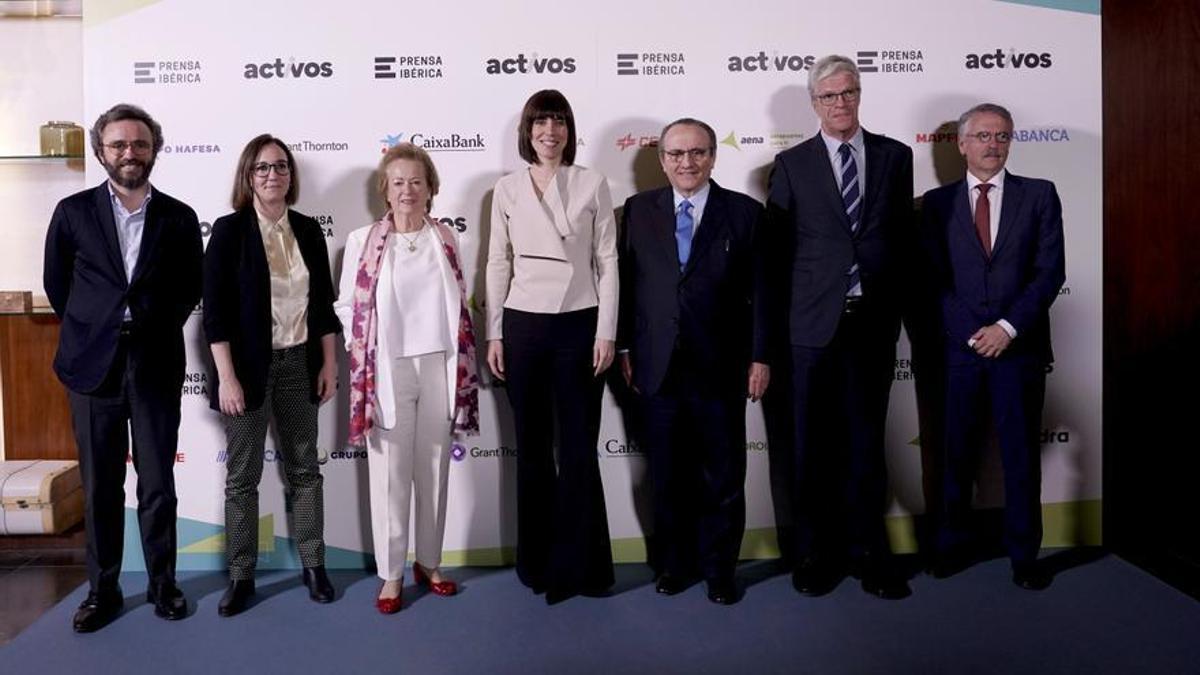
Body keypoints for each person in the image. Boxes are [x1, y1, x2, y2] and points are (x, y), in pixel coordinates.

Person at [43, 103, 203, 632]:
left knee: (157, 484)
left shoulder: (178, 216)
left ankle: (163, 586)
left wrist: (148, 325)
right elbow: (58, 285)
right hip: (92, 366)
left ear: (154, 149)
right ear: (101, 152)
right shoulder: (72, 211)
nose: (129, 153)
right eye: (119, 145)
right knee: (101, 486)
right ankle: (102, 590)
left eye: (139, 143)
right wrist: (98, 327)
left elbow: (188, 288)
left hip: (153, 361)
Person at [766, 54, 914, 599]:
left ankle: (870, 555)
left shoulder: (895, 157)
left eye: (848, 92)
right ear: (814, 103)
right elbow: (777, 257)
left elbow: (900, 241)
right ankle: (814, 554)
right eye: (829, 96)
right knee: (812, 447)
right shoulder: (792, 164)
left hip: (871, 325)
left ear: (859, 94)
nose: (840, 103)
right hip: (810, 329)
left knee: (866, 445)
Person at [617, 118, 769, 605]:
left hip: (721, 365)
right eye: (677, 154)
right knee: (667, 475)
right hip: (656, 366)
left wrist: (760, 356)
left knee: (723, 476)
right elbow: (624, 285)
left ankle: (719, 569)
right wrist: (623, 348)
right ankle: (675, 564)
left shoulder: (744, 213)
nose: (688, 163)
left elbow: (762, 294)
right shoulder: (638, 211)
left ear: (713, 157)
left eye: (698, 153)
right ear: (662, 160)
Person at [921, 103, 1065, 590]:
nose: (993, 144)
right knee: (953, 454)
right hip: (959, 353)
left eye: (1002, 136)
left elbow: (1050, 272)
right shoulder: (935, 204)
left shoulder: (1040, 195)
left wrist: (1006, 327)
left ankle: (1025, 555)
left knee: (1021, 457)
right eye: (982, 135)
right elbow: (932, 281)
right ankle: (950, 546)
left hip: (1018, 350)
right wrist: (971, 331)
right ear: (961, 144)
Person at [485, 89, 618, 603]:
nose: (549, 132)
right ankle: (537, 563)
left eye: (558, 121)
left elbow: (607, 260)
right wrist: (495, 332)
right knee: (534, 451)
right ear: (527, 131)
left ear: (570, 129)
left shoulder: (593, 182)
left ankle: (585, 567)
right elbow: (498, 262)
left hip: (580, 324)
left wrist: (607, 330)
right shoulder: (507, 189)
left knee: (580, 450)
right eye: (540, 122)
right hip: (523, 326)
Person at [336, 142, 480, 614]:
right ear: (385, 189)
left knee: (434, 472)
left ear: (431, 187)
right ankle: (392, 574)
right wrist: (362, 359)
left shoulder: (445, 238)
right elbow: (346, 307)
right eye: (398, 182)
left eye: (416, 181)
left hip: (440, 364)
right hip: (387, 370)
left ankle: (430, 563)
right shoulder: (363, 240)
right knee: (391, 478)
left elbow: (459, 301)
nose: (407, 190)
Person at [202, 134, 341, 616]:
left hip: (301, 365)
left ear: (290, 175)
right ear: (248, 176)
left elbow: (323, 306)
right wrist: (227, 378)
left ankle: (314, 565)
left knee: (306, 471)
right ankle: (241, 576)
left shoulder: (307, 229)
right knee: (242, 478)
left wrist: (329, 364)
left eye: (280, 166)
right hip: (246, 372)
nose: (272, 175)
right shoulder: (228, 231)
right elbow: (215, 315)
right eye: (262, 168)